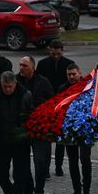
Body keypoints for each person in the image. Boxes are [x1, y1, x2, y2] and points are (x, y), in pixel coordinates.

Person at [17, 56, 54, 194]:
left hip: (40, 130)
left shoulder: (43, 82)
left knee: (41, 163)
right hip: (22, 130)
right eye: (20, 65)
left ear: (33, 67)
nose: (21, 68)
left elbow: (53, 104)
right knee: (22, 164)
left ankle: (39, 191)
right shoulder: (15, 81)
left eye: (24, 65)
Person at [36, 40, 75, 177]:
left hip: (62, 104)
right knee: (46, 139)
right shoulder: (42, 64)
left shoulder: (68, 63)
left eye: (58, 53)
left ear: (62, 51)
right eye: (54, 53)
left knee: (60, 140)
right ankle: (45, 169)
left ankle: (58, 166)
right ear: (49, 50)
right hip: (47, 104)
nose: (56, 56)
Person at [58, 64, 93, 194]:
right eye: (69, 75)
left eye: (74, 74)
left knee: (85, 160)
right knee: (72, 161)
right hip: (70, 130)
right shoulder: (63, 88)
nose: (71, 77)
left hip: (85, 130)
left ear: (80, 73)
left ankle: (86, 191)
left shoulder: (88, 87)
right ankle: (77, 189)